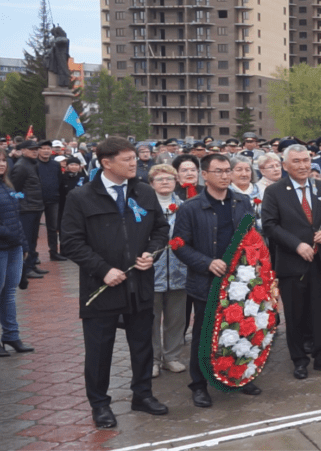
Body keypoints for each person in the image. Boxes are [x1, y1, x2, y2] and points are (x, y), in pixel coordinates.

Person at [61, 137, 170, 428]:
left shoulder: (144, 192)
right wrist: (103, 269)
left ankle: (142, 394)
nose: (135, 163)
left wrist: (152, 254)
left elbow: (161, 229)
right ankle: (100, 404)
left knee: (142, 344)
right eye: (127, 159)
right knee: (99, 349)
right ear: (106, 163)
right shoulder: (82, 197)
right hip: (102, 287)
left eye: (135, 158)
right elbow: (70, 243)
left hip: (140, 282)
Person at [171, 153, 260, 406]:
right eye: (218, 171)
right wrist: (206, 262)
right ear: (205, 175)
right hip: (207, 281)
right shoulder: (191, 207)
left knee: (239, 330)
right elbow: (179, 245)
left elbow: (252, 236)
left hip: (239, 281)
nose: (224, 176)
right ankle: (199, 384)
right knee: (205, 333)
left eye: (227, 171)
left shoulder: (241, 201)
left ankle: (239, 375)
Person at [262, 144, 321, 379]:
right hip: (292, 263)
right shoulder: (275, 191)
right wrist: (296, 245)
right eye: (296, 161)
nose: (302, 165)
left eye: (305, 161)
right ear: (285, 165)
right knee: (295, 314)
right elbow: (270, 225)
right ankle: (299, 360)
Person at [147, 165, 187, 378]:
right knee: (151, 317)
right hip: (152, 271)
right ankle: (152, 358)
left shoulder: (186, 207)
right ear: (151, 183)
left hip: (180, 271)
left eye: (170, 178)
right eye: (159, 178)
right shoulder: (143, 207)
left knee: (176, 317)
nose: (165, 182)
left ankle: (172, 356)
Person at [0, 147, 32, 357]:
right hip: (2, 246)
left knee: (9, 294)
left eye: (3, 160)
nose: (2, 163)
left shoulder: (7, 186)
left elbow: (15, 218)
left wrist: (24, 244)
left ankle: (11, 335)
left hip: (14, 247)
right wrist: (10, 235)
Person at [10, 140, 45, 278]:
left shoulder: (33, 164)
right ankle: (25, 269)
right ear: (23, 150)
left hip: (36, 207)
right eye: (31, 149)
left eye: (36, 149)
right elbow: (14, 190)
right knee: (26, 240)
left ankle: (31, 264)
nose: (35, 151)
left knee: (33, 239)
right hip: (26, 209)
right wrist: (25, 198)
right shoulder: (21, 166)